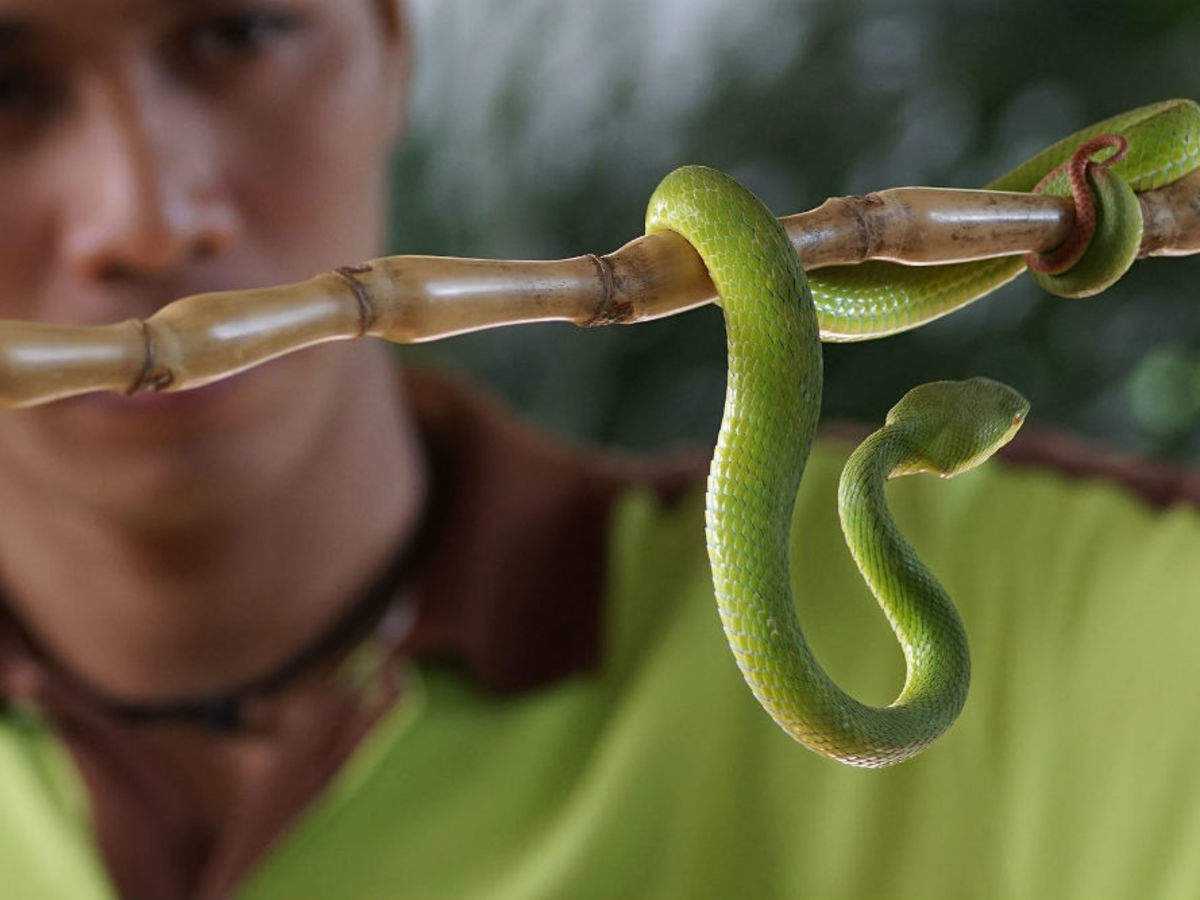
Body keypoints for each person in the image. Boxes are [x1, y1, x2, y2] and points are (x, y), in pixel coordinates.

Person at [0, 2, 1197, 898]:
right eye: (6, 87)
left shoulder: (1093, 604)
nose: (143, 216)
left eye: (237, 32)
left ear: (391, 48)